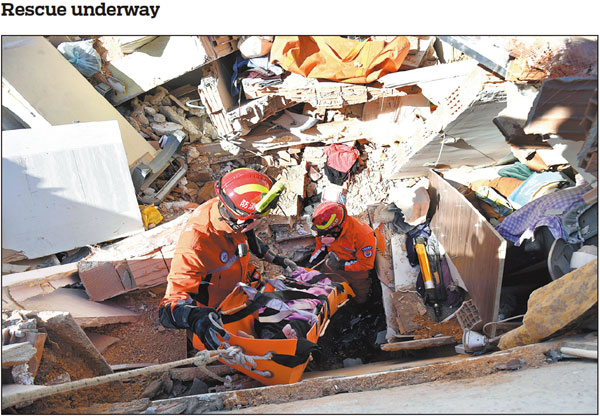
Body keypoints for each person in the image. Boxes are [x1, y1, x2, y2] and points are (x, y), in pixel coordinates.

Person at [158, 168, 297, 350]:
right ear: (243, 220)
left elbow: (251, 239)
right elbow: (167, 308)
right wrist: (195, 318)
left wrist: (277, 259)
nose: (263, 221)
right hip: (217, 313)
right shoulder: (195, 243)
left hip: (239, 291)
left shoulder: (228, 209)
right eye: (260, 218)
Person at [307, 201, 383, 304]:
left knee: (361, 298)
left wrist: (341, 265)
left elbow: (366, 264)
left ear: (337, 228)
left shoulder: (363, 235)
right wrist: (309, 267)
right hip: (332, 265)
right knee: (325, 287)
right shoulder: (324, 230)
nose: (323, 237)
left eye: (326, 234)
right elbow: (320, 249)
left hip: (357, 273)